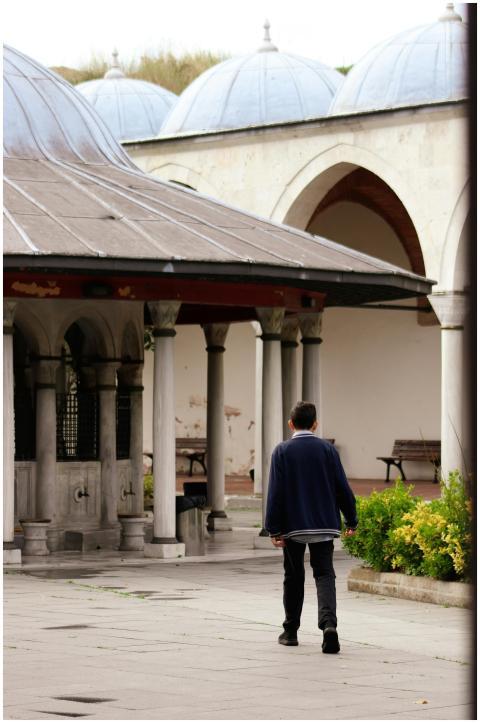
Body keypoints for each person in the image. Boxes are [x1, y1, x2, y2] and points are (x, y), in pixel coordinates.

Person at [265, 401, 357, 654]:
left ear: (290, 423)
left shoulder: (282, 451)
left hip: (292, 526)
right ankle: (329, 626)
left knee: (293, 576)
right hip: (324, 525)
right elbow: (342, 488)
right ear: (315, 424)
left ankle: (291, 630)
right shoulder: (327, 450)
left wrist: (273, 528)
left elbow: (275, 493)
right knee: (324, 574)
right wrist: (351, 519)